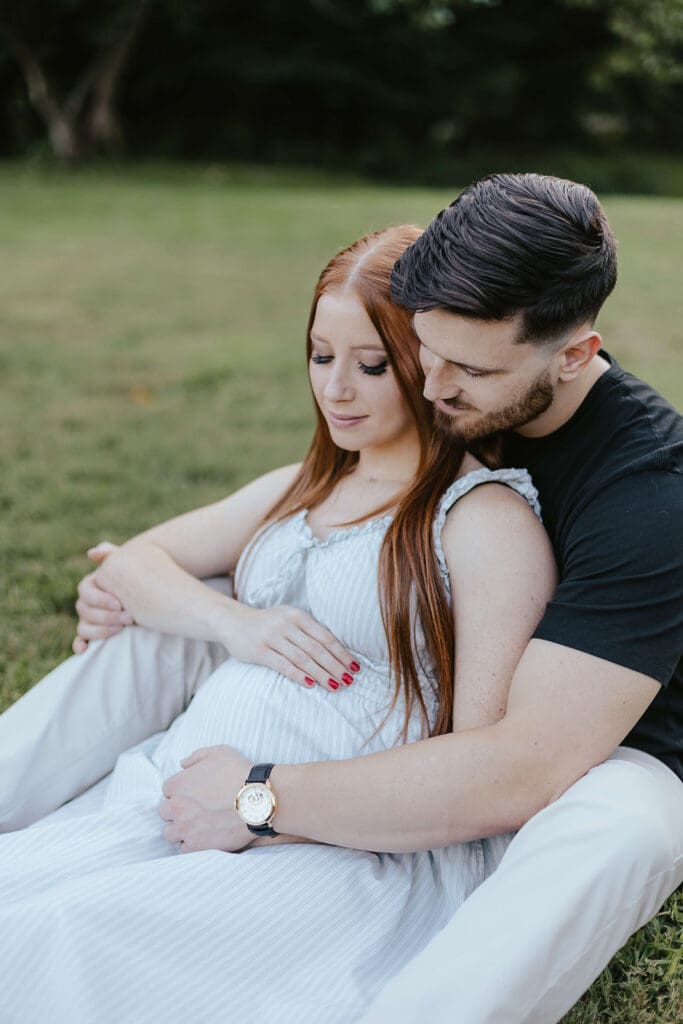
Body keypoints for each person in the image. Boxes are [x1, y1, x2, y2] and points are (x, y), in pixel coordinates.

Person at [2, 174, 681, 1023]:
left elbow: (514, 768)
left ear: (575, 356)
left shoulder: (644, 498)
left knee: (617, 828)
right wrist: (179, 601)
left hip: (596, 743)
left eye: (465, 369)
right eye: (418, 350)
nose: (429, 388)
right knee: (184, 602)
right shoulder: (443, 397)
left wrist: (261, 799)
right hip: (371, 689)